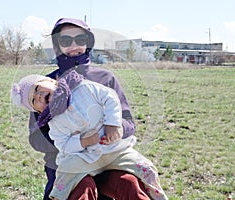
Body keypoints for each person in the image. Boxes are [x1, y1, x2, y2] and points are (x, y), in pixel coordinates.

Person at [26, 17, 159, 200]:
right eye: (66, 40)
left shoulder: (105, 78)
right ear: (57, 45)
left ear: (88, 43)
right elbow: (35, 138)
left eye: (80, 40)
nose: (74, 45)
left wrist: (116, 128)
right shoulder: (44, 87)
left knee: (130, 184)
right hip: (70, 164)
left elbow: (129, 122)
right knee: (82, 189)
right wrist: (73, 141)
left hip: (109, 158)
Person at [11, 69, 168, 200]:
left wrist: (113, 124)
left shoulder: (82, 87)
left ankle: (156, 195)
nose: (38, 95)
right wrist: (83, 141)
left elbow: (110, 97)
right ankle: (58, 196)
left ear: (52, 81)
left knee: (144, 167)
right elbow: (63, 145)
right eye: (34, 99)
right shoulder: (54, 123)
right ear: (39, 111)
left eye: (38, 88)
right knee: (66, 169)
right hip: (85, 157)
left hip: (114, 150)